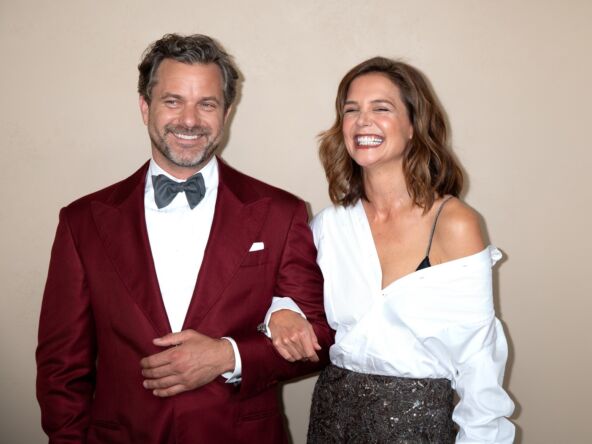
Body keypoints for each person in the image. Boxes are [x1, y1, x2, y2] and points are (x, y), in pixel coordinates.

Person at [36, 33, 333, 444]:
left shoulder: (281, 213)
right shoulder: (81, 221)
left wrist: (228, 356)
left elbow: (318, 339)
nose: (190, 120)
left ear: (226, 112)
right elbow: (61, 367)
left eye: (206, 104)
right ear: (145, 107)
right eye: (173, 101)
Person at [266, 57, 515, 443]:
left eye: (381, 108)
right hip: (331, 423)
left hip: (417, 430)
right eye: (352, 110)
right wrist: (281, 312)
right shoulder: (329, 226)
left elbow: (479, 366)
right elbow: (290, 296)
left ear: (414, 126)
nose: (362, 121)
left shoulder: (454, 223)